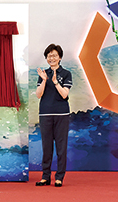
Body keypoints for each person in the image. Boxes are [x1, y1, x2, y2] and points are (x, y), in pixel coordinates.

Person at [35, 44, 72, 187]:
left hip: (62, 114)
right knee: (47, 147)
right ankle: (45, 177)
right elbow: (39, 95)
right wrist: (44, 80)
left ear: (60, 57)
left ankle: (59, 177)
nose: (52, 58)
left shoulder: (66, 73)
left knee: (61, 147)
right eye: (49, 56)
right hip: (45, 114)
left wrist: (56, 82)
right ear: (46, 58)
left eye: (54, 55)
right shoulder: (43, 74)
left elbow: (64, 94)